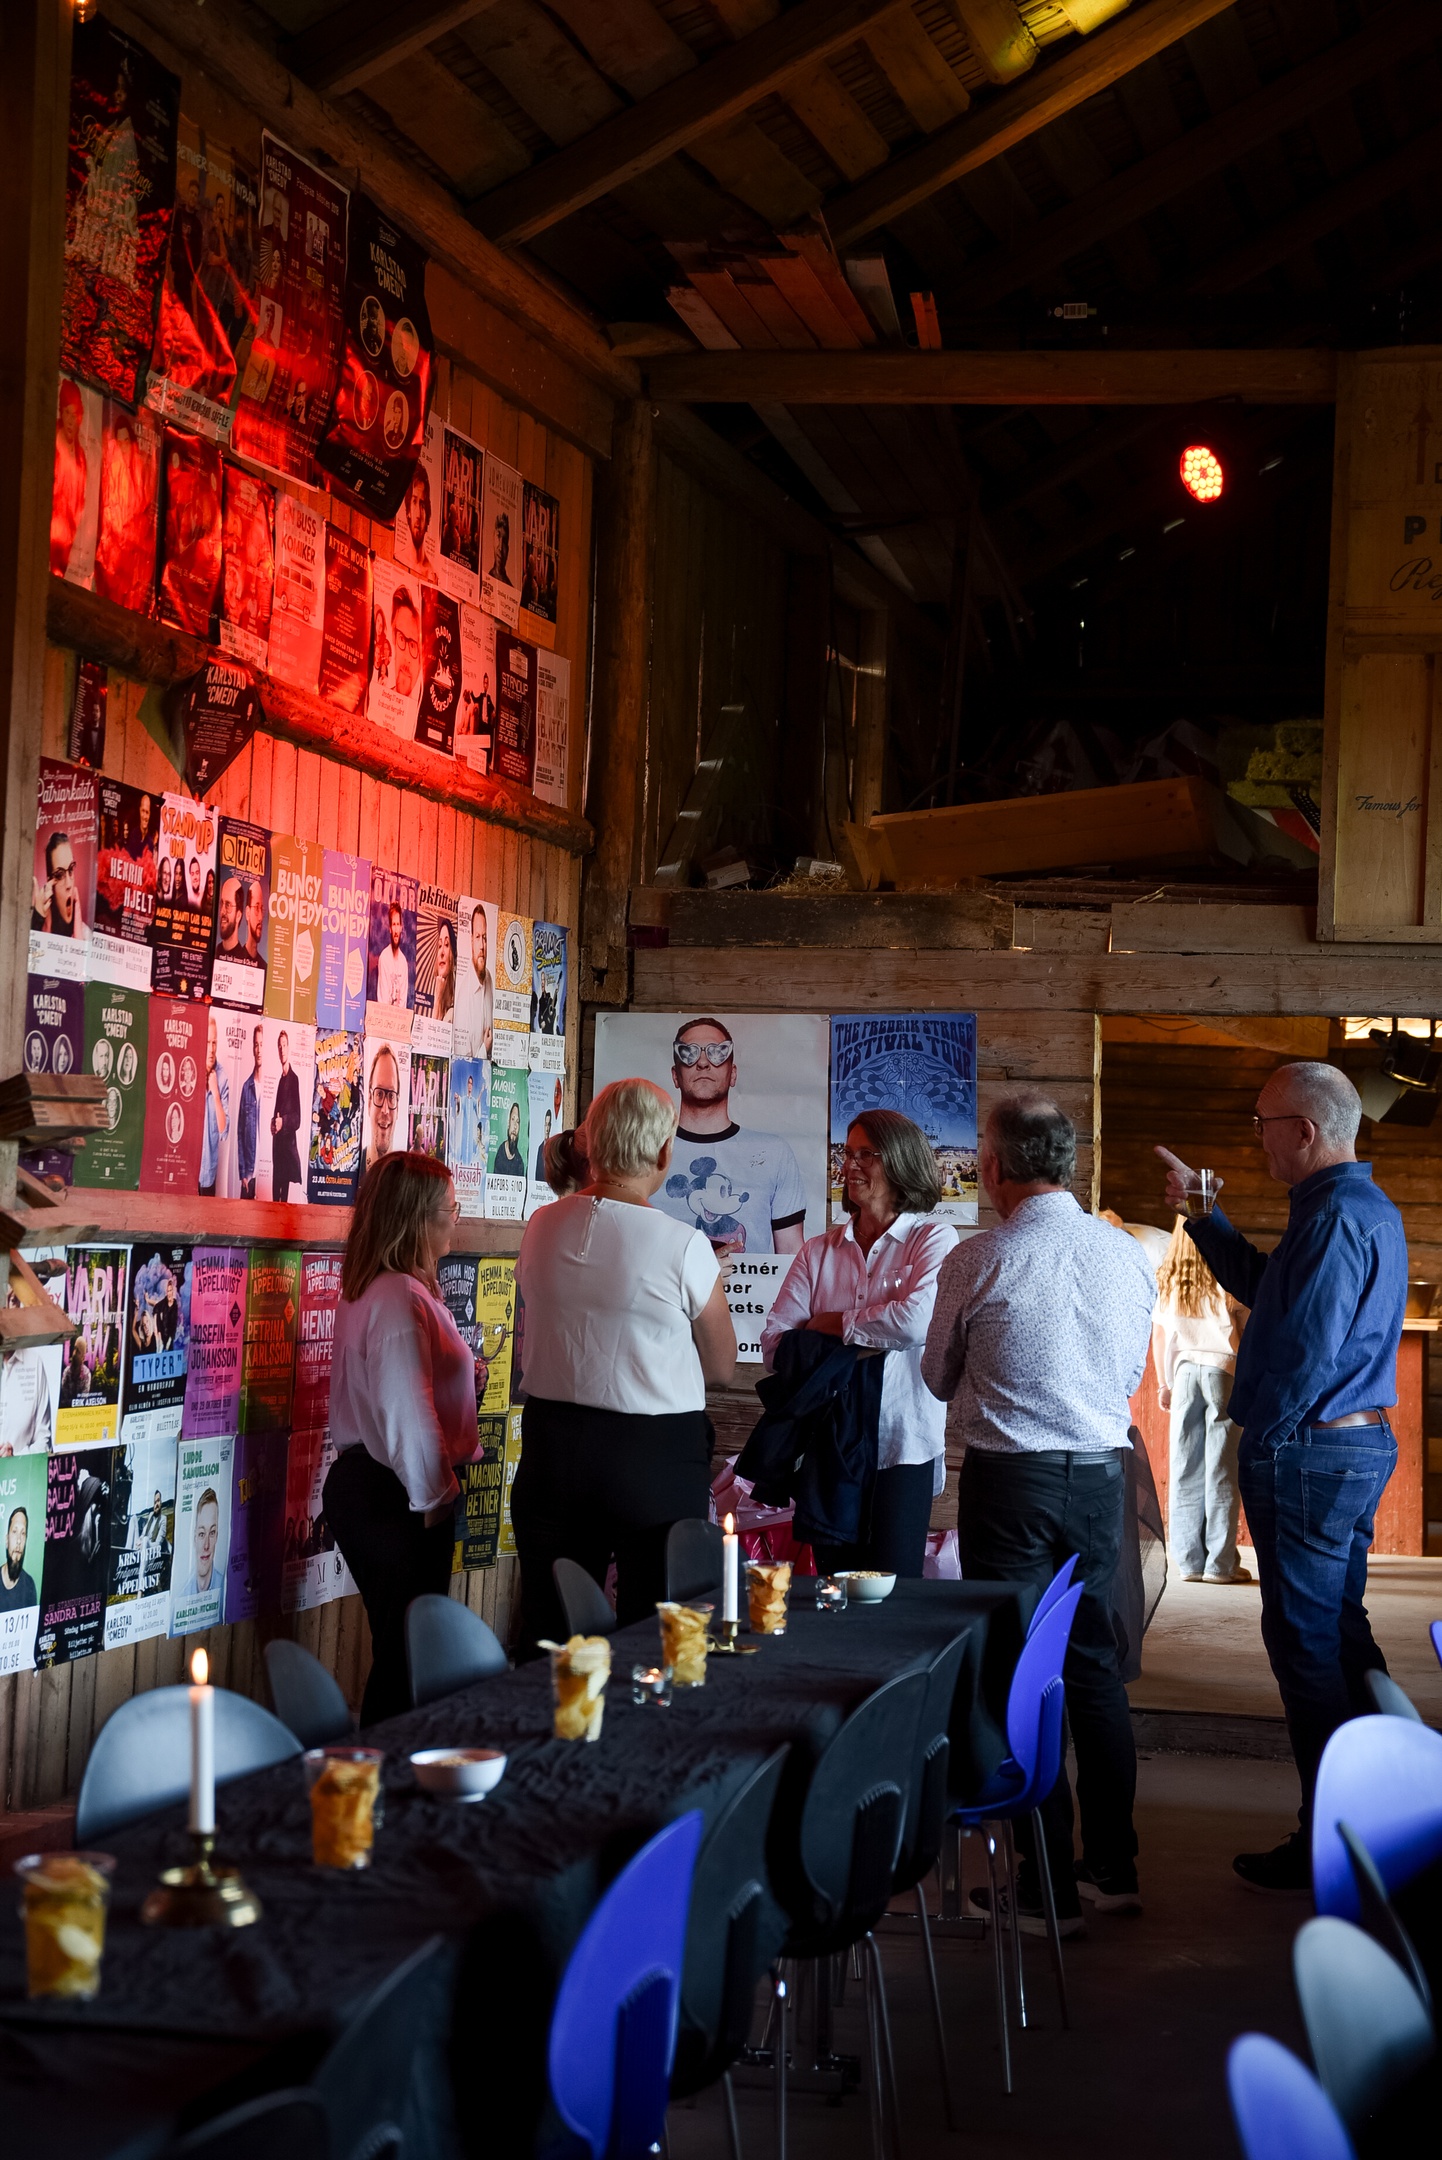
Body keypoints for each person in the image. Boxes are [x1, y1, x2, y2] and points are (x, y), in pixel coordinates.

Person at [1157, 1060, 1407, 1891]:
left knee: (1306, 1652)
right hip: (1346, 1446)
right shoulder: (1354, 1207)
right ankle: (1388, 1813)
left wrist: (1264, 1440)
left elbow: (1305, 1353)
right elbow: (1270, 1292)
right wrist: (1204, 1216)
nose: (1256, 1137)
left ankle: (1333, 1839)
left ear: (1304, 1130)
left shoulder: (1333, 1217)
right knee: (1338, 1636)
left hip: (1314, 1453)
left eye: (1263, 1122)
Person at [923, 1091, 1155, 1933]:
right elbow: (1130, 1372)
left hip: (1011, 1483)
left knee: (1023, 1670)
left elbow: (936, 1377)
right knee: (1093, 1665)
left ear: (993, 1167)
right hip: (1098, 1477)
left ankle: (1046, 1887)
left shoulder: (978, 1257)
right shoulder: (1126, 1254)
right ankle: (1114, 1868)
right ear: (1068, 1163)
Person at [512, 1077, 736, 1647]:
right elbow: (721, 1367)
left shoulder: (541, 1227)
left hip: (553, 1449)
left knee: (555, 1633)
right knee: (658, 1634)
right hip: (653, 1456)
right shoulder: (683, 1244)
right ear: (663, 1152)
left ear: (592, 1143)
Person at [761, 1111, 955, 1577]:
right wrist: (868, 1338)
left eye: (867, 1154)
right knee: (835, 1586)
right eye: (846, 1153)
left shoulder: (932, 1238)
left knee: (895, 1586)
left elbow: (914, 1325)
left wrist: (829, 1324)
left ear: (902, 1161)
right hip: (828, 1446)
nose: (849, 1165)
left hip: (903, 1442)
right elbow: (774, 1344)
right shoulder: (817, 1251)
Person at [324, 1152, 477, 1723]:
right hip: (395, 1492)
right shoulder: (397, 1295)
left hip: (380, 1486)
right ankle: (387, 1762)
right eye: (449, 1210)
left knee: (404, 1649)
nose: (455, 1221)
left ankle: (388, 1758)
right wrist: (434, 1499)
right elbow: (405, 1408)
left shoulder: (381, 1289)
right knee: (409, 1657)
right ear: (416, 1220)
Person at [650, 1018, 808, 1260]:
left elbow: (791, 1254)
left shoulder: (774, 1152)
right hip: (665, 1286)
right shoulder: (645, 1152)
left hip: (748, 1287)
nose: (703, 1063)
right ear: (675, 1076)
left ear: (732, 1075)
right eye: (689, 1054)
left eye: (717, 1053)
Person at [1153, 1217, 1248, 1586]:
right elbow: (1244, 1330)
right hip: (1223, 1371)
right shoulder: (1228, 1276)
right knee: (1222, 1468)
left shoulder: (1170, 1277)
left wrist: (1164, 1383)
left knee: (1185, 1467)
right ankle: (1220, 1565)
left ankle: (1190, 1562)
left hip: (1184, 1374)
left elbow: (1161, 1337)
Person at [453, 902, 493, 1060]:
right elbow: (462, 1063)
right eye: (477, 937)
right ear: (471, 941)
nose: (482, 945)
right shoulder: (463, 998)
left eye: (484, 938)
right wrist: (485, 1048)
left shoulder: (489, 978)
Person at [31, 831, 85, 939]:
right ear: (50, 883)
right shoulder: (36, 926)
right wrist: (36, 921)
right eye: (59, 875)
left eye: (71, 869)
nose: (69, 885)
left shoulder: (86, 934)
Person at [177, 1487, 223, 1612]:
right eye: (202, 1534)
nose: (206, 1545)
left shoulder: (226, 1589)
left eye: (212, 1533)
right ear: (194, 1538)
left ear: (217, 1536)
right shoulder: (181, 1599)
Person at [271, 1029, 302, 1202]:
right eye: (279, 1046)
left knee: (282, 1203)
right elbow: (278, 1112)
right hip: (278, 1150)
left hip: (286, 1152)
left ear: (289, 1048)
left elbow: (297, 1119)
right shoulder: (281, 1079)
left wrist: (283, 1122)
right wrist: (273, 1123)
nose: (282, 1050)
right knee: (275, 1200)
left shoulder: (294, 1079)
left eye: (284, 1045)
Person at [199, 1011, 228, 1197]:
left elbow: (224, 1131)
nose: (211, 1049)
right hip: (187, 1171)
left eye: (214, 1043)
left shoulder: (222, 1077)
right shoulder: (189, 1068)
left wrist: (215, 1093)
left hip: (208, 1173)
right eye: (207, 1042)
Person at [365, 1043, 401, 1172]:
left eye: (391, 1096)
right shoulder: (351, 1168)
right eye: (379, 1094)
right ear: (369, 1102)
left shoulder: (405, 1178)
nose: (385, 1110)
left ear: (398, 1106)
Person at [237, 1025, 261, 1199]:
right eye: (256, 1044)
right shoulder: (246, 1088)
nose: (259, 1050)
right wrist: (243, 1172)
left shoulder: (274, 1085)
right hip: (250, 1176)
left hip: (266, 1177)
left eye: (262, 1044)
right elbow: (240, 1133)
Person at [0, 1507, 38, 1610]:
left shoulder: (29, 1586)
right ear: (7, 1540)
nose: (18, 1541)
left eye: (23, 1533)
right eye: (14, 1531)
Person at [375, 902, 409, 1008]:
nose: (396, 930)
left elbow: (403, 1001)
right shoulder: (384, 958)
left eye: (398, 924)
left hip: (399, 1015)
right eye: (394, 924)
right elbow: (382, 999)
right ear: (390, 928)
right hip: (384, 1014)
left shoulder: (403, 962)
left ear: (401, 927)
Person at [493, 1098, 524, 1180]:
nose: (515, 1126)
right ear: (508, 1123)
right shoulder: (500, 1153)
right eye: (513, 1119)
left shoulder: (519, 1163)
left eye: (518, 1122)